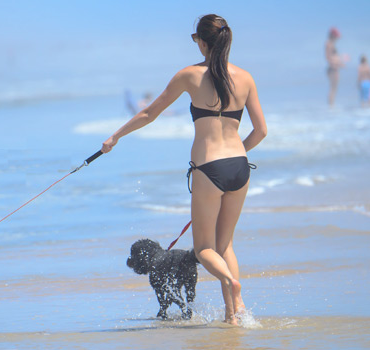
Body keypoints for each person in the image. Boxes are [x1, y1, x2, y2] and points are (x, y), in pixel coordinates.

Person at [101, 14, 267, 325]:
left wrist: (115, 137)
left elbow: (150, 113)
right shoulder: (246, 78)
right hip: (240, 166)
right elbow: (261, 131)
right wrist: (236, 154)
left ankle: (234, 286)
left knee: (205, 249)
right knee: (225, 244)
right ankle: (234, 314)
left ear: (203, 43)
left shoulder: (189, 76)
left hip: (209, 168)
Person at [325, 27, 348, 106]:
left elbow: (333, 57)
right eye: (336, 37)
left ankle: (332, 106)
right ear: (333, 36)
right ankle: (331, 107)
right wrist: (336, 64)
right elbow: (328, 57)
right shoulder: (328, 43)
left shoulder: (331, 44)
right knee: (333, 89)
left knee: (334, 89)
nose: (337, 39)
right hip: (332, 69)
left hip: (334, 68)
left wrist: (340, 63)